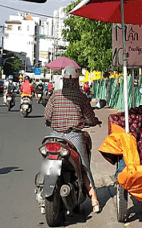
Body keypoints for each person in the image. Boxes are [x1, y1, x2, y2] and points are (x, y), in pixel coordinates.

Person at [44, 65, 101, 213]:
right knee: (83, 166)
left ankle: (41, 195)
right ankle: (94, 198)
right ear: (76, 81)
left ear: (63, 80)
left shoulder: (55, 95)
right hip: (73, 136)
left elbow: (47, 116)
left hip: (54, 136)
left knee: (46, 162)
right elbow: (89, 117)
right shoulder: (81, 96)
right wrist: (94, 121)